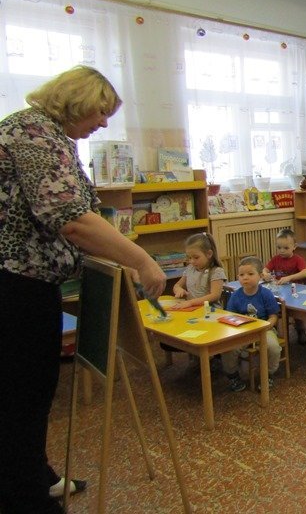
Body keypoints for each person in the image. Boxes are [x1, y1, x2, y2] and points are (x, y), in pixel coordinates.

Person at [0, 66, 166, 512]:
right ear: (77, 101)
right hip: (14, 285)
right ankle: (23, 495)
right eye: (100, 111)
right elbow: (71, 219)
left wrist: (120, 255)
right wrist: (140, 259)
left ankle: (34, 474)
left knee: (33, 391)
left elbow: (87, 208)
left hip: (33, 283)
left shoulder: (56, 138)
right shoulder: (33, 134)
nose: (104, 123)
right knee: (20, 396)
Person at [223, 256, 282, 392]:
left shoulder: (266, 294)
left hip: (264, 330)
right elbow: (230, 316)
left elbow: (273, 316)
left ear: (260, 276)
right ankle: (233, 376)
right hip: (242, 331)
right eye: (241, 275)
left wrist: (266, 326)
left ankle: (268, 375)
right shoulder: (236, 295)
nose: (245, 278)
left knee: (273, 347)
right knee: (229, 349)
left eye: (250, 274)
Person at [262, 228, 306, 345]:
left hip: (296, 292)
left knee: (297, 312)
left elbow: (305, 273)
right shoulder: (276, 259)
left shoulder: (298, 259)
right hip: (280, 292)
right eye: (279, 248)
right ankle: (275, 331)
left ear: (294, 246)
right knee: (273, 307)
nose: (282, 251)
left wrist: (289, 278)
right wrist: (265, 274)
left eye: (286, 248)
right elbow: (265, 269)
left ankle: (301, 329)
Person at [169, 232, 226, 310]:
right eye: (189, 257)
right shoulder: (190, 269)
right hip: (193, 309)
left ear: (209, 254)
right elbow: (177, 285)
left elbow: (215, 296)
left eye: (196, 257)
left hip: (211, 311)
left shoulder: (216, 272)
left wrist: (190, 302)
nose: (192, 261)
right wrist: (178, 289)